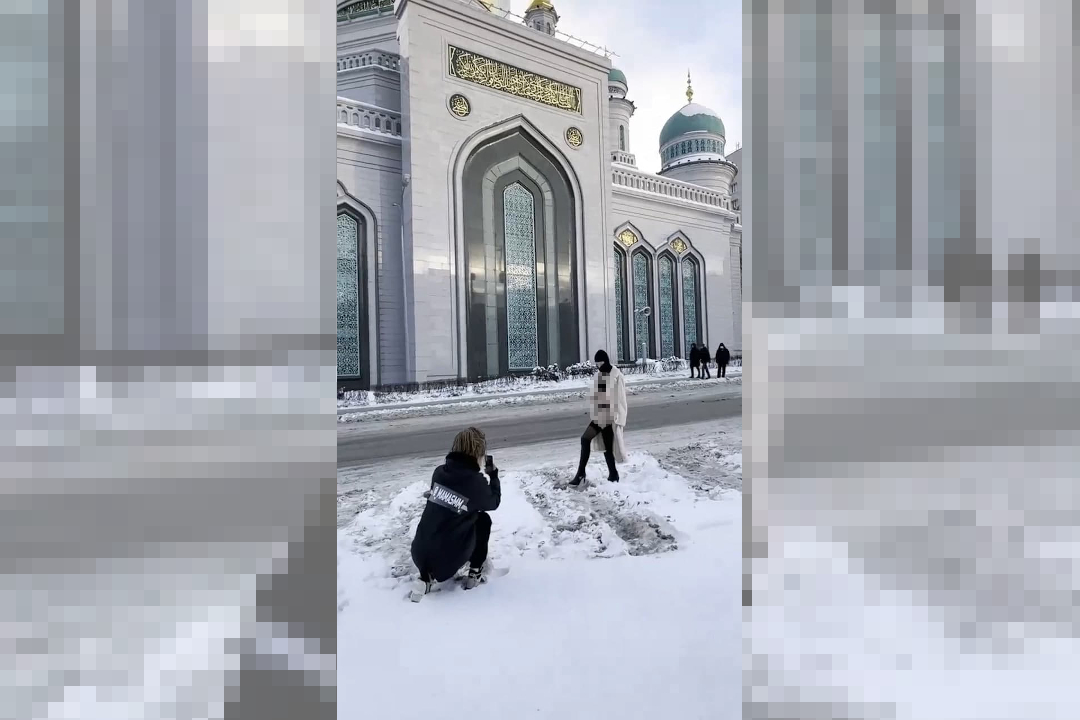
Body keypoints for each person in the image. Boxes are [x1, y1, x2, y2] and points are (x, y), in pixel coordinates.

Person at [409, 427, 501, 601]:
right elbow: (493, 502)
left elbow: (450, 502)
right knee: (482, 520)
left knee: (453, 515)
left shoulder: (439, 472)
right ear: (478, 453)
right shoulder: (475, 482)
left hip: (419, 553)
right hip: (447, 561)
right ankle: (475, 573)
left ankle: (426, 578)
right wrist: (494, 476)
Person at [570, 350, 628, 486]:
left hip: (609, 418)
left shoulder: (617, 376)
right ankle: (582, 474)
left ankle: (612, 474)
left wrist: (617, 419)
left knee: (607, 448)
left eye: (601, 363)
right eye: (597, 364)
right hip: (599, 417)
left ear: (606, 361)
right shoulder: (599, 375)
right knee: (586, 439)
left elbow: (621, 400)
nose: (599, 366)